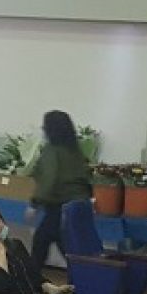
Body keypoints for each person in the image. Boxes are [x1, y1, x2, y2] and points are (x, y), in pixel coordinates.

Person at [29, 109, 93, 275]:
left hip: (58, 206)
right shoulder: (75, 150)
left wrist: (35, 203)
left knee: (41, 243)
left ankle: (30, 281)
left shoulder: (52, 150)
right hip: (78, 205)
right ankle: (84, 277)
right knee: (67, 246)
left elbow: (49, 179)